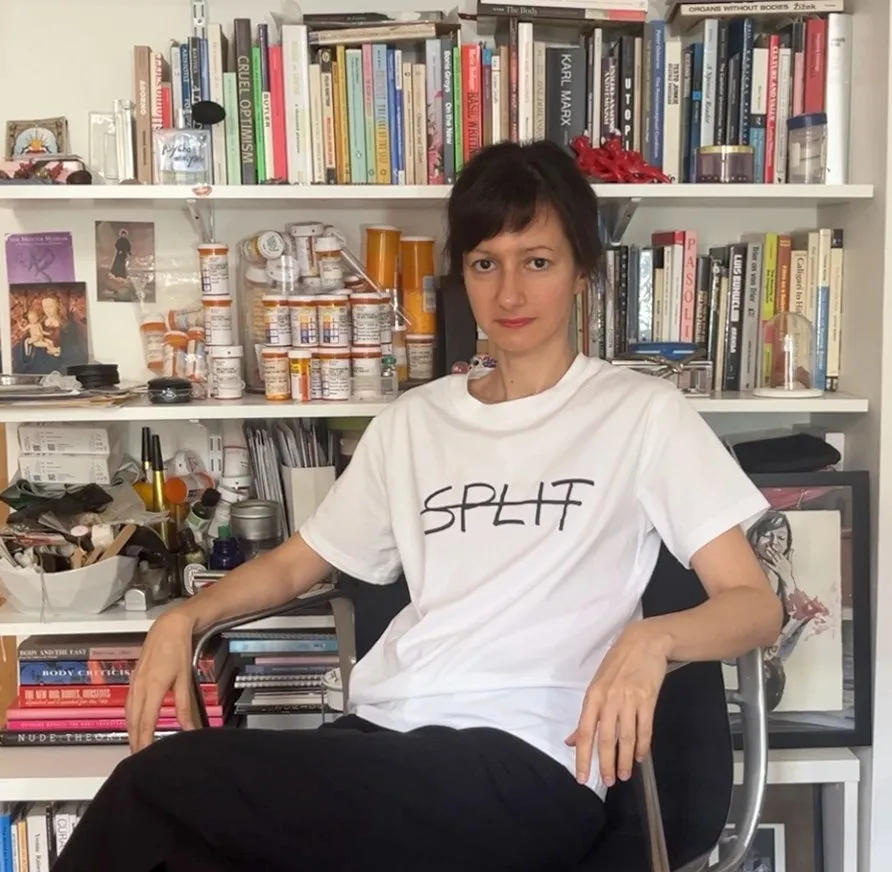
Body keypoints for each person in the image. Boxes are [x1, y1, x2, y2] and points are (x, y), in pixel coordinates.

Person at [53, 139, 782, 872]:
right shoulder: (413, 422)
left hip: (529, 760)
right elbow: (297, 564)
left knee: (160, 793)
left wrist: (654, 640)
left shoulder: (641, 413)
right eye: (485, 264)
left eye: (537, 262)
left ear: (581, 272)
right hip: (382, 738)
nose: (510, 294)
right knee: (167, 824)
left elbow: (754, 605)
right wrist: (184, 616)